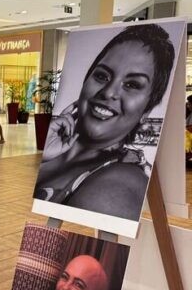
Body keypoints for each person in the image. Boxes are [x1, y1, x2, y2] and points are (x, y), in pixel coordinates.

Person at [34, 24, 175, 220]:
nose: (108, 92)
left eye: (132, 84)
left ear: (147, 109)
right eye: (101, 76)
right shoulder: (54, 149)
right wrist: (45, 154)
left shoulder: (121, 183)